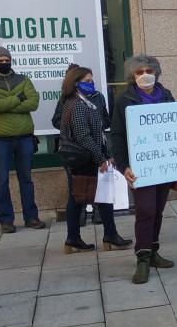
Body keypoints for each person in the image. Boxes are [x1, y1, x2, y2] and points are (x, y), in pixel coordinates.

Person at [110, 55, 177, 284]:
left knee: (158, 209)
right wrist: (123, 166)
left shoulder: (167, 96)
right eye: (139, 72)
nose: (145, 75)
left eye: (149, 70)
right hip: (141, 167)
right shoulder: (124, 101)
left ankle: (153, 251)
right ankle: (142, 258)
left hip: (165, 166)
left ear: (156, 73)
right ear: (132, 76)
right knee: (145, 210)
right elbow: (117, 137)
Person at [54, 66, 132, 253]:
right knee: (86, 197)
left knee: (82, 197)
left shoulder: (83, 102)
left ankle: (79, 238)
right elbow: (84, 136)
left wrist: (107, 154)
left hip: (86, 156)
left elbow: (97, 133)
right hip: (85, 158)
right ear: (75, 83)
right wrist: (100, 159)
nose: (92, 84)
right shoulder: (78, 105)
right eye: (87, 81)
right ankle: (105, 236)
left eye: (92, 81)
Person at [0, 46, 46, 233]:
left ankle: (31, 217)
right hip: (0, 140)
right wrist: (18, 98)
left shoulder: (23, 79)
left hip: (25, 138)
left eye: (7, 60)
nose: (5, 63)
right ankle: (6, 220)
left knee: (27, 179)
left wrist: (2, 102)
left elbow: (33, 103)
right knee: (1, 180)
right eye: (1, 61)